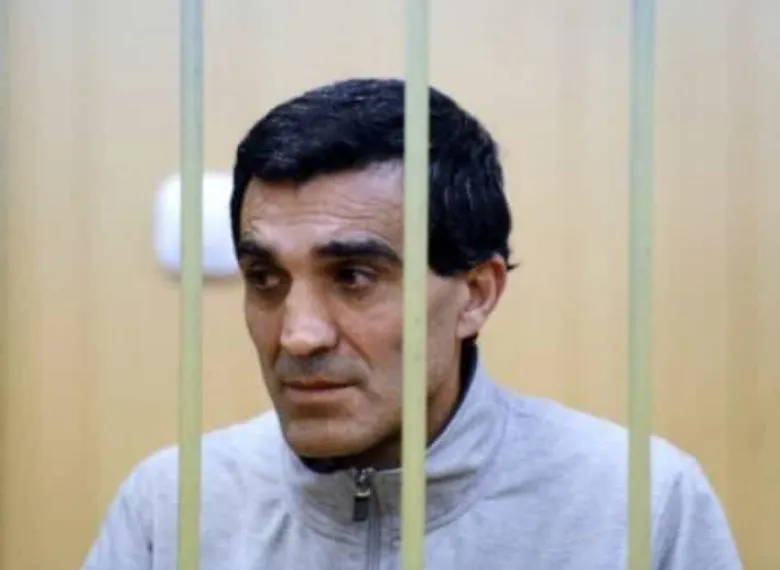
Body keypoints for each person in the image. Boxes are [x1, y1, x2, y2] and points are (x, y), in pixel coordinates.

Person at [83, 78, 742, 570]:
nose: (298, 335)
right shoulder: (170, 507)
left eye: (353, 277)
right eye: (265, 278)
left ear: (476, 295)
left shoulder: (639, 503)